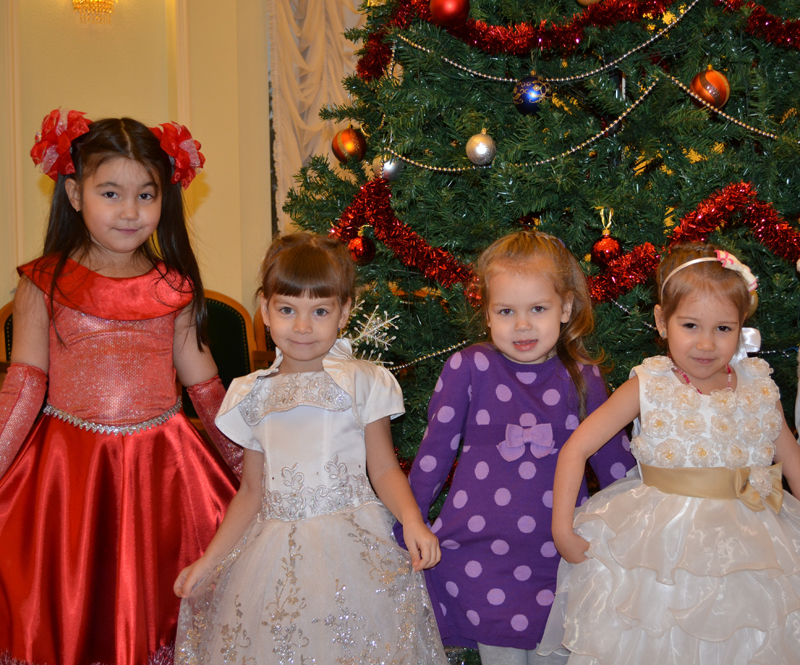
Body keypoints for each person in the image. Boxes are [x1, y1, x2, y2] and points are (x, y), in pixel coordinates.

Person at [0, 109, 241, 665]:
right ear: (74, 193)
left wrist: (253, 469)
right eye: (111, 193)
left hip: (165, 476)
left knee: (159, 603)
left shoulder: (174, 287)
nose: (130, 211)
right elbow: (23, 387)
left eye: (146, 195)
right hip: (68, 479)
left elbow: (207, 391)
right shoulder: (42, 283)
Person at [173, 232, 447, 664]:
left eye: (320, 311)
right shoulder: (252, 394)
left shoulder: (363, 381)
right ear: (265, 309)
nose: (303, 327)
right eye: (287, 310)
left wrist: (412, 521)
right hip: (273, 556)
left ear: (344, 312)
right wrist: (209, 561)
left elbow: (383, 469)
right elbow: (251, 492)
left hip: (353, 548)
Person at [542, 243, 800, 664]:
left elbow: (792, 460)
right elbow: (576, 448)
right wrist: (562, 531)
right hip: (662, 551)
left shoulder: (759, 385)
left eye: (723, 328)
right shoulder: (649, 384)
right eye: (691, 325)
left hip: (752, 551)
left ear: (741, 327)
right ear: (663, 321)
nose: (706, 343)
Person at [397, 230, 635, 664]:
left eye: (538, 309)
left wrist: (642, 529)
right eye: (506, 311)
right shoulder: (468, 367)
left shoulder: (584, 376)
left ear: (565, 308)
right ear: (487, 314)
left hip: (560, 556)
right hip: (480, 557)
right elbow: (434, 455)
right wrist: (409, 523)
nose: (522, 325)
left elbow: (615, 464)